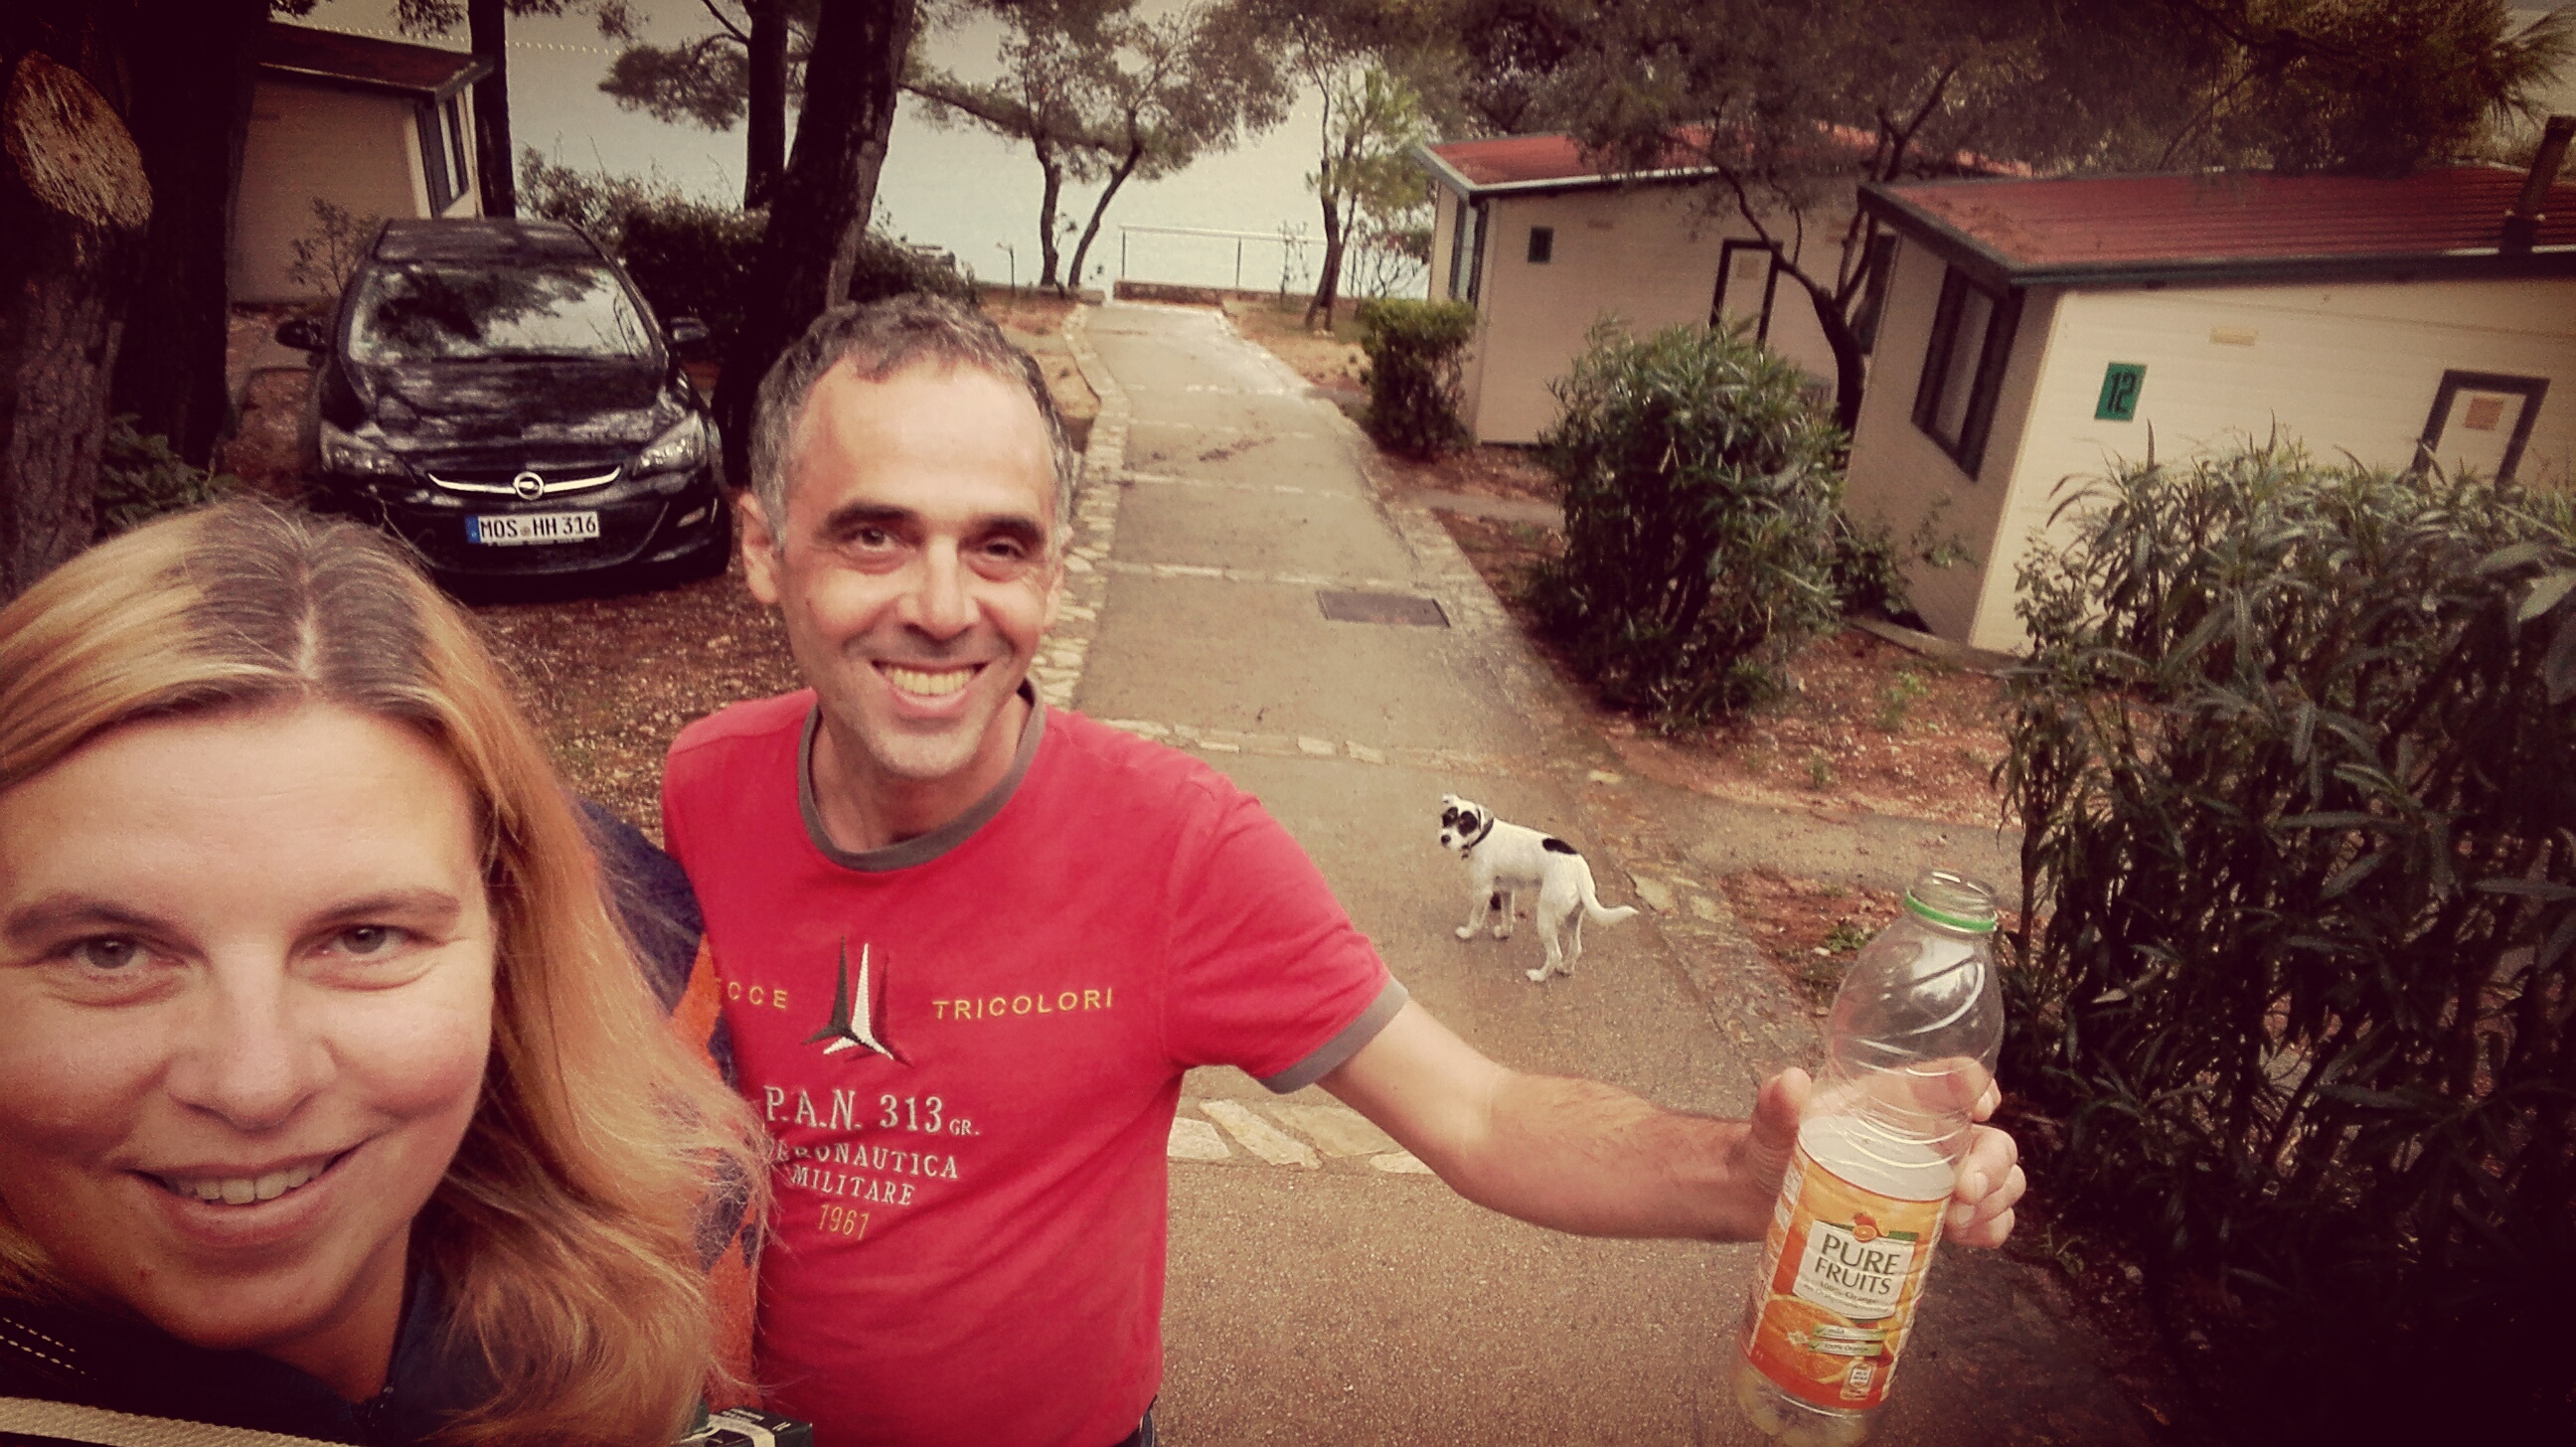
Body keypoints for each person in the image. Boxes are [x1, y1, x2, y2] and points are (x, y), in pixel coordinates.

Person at [662, 295, 2027, 1447]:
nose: (942, 605)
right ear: (765, 550)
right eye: (873, 533)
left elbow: (1479, 1114)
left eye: (999, 545)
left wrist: (1746, 1173)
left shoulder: (1176, 848)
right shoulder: (704, 787)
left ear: (1054, 576)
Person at [0, 503, 769, 1445]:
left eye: (364, 937)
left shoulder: (596, 1318)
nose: (254, 1085)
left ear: (505, 947)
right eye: (109, 951)